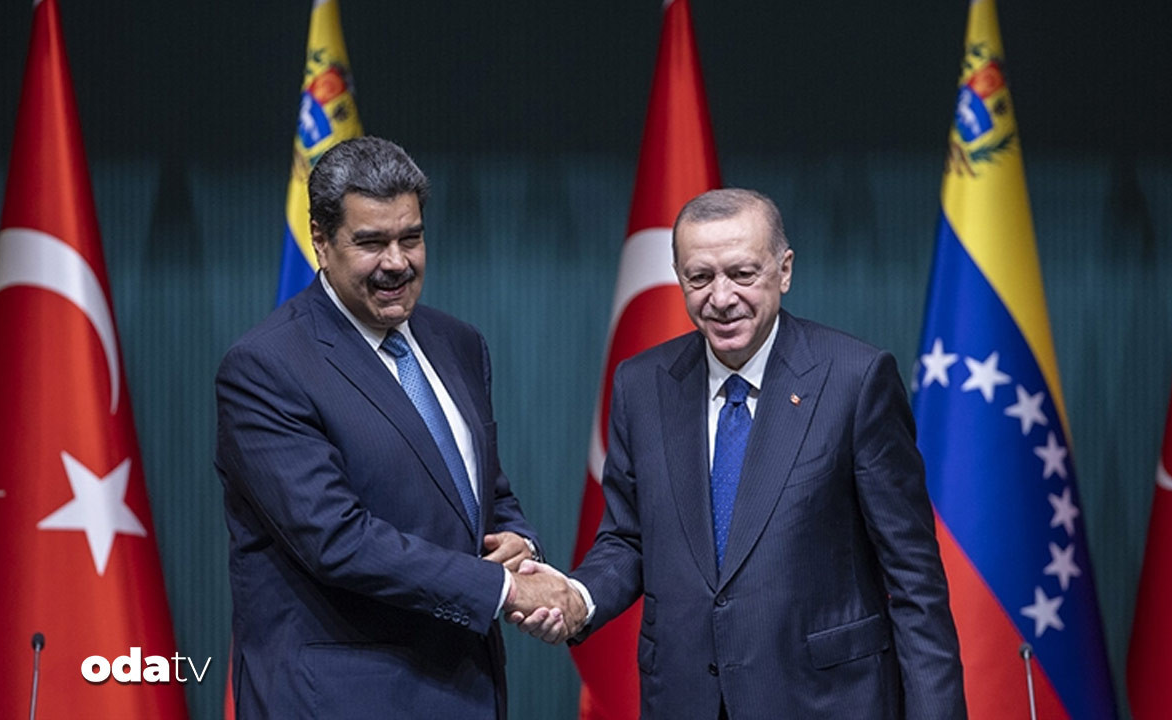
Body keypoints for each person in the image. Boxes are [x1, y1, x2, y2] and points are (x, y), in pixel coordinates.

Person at [525, 189, 966, 718]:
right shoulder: (641, 385)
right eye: (700, 277)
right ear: (678, 277)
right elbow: (628, 538)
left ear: (784, 270)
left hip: (825, 701)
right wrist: (578, 597)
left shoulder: (856, 380)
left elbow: (914, 579)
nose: (721, 297)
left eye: (741, 274)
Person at [215, 136, 581, 718]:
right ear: (320, 240)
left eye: (410, 238)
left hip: (466, 688)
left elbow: (484, 490)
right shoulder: (267, 366)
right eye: (371, 242)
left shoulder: (458, 344)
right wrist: (504, 589)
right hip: (340, 700)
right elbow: (336, 540)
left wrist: (519, 543)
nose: (396, 262)